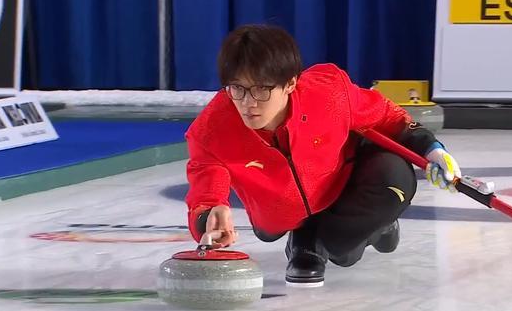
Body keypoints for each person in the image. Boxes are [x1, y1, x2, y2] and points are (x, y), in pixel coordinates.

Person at [184, 24, 461, 287]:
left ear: (290, 83)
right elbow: (205, 195)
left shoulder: (329, 94)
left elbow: (388, 117)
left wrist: (432, 148)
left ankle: (333, 236)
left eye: (261, 89)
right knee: (345, 253)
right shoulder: (211, 131)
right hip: (280, 212)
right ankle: (321, 236)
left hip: (341, 186)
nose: (248, 103)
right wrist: (208, 218)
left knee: (356, 231)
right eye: (237, 88)